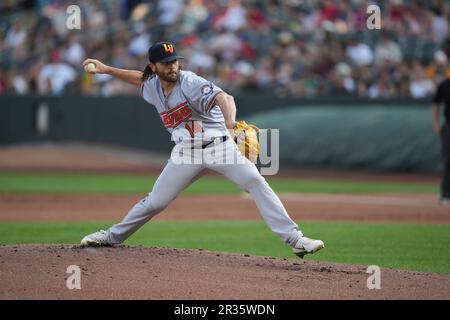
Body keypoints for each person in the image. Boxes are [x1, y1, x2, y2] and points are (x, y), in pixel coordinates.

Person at [80, 41, 325, 258]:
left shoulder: (190, 81)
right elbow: (138, 78)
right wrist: (107, 70)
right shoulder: (153, 86)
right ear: (153, 67)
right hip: (185, 154)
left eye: (174, 61)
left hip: (220, 146)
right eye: (165, 63)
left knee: (256, 181)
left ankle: (296, 240)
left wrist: (230, 124)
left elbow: (225, 98)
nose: (172, 67)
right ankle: (111, 237)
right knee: (155, 202)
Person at [433, 76, 450, 205]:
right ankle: (446, 194)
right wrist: (436, 123)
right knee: (448, 160)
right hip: (448, 126)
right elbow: (436, 103)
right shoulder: (445, 85)